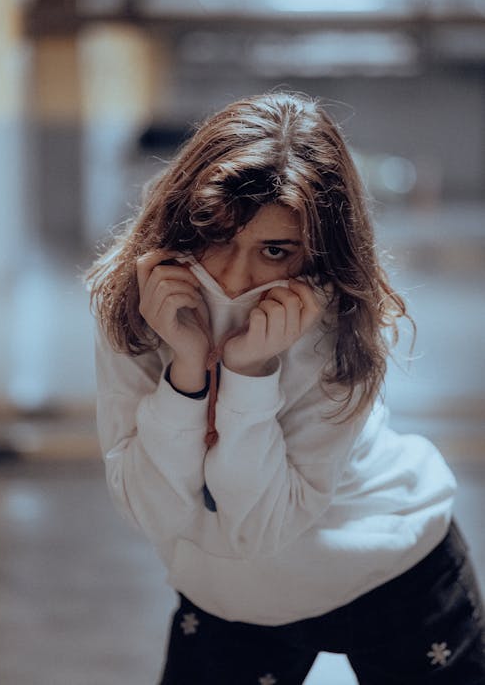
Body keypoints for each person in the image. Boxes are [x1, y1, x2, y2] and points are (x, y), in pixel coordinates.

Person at [87, 92, 485, 684]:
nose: (233, 276)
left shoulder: (339, 314)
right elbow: (151, 508)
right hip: (227, 596)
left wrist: (249, 373)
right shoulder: (137, 298)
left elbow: (262, 526)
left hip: (393, 565)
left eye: (275, 251)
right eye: (216, 235)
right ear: (182, 217)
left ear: (318, 249)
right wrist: (186, 373)